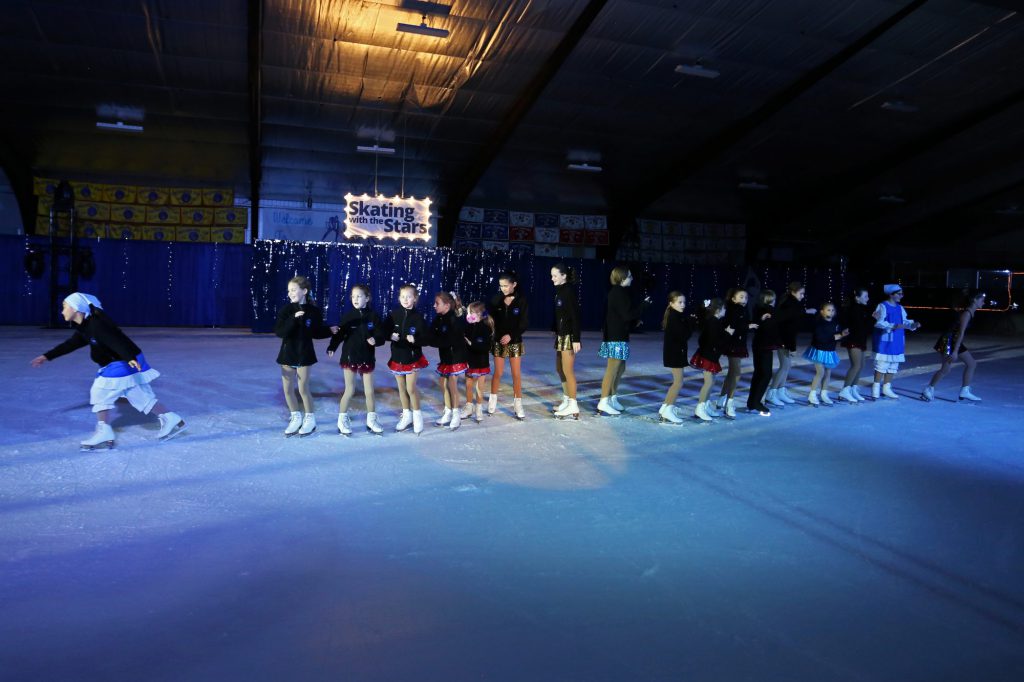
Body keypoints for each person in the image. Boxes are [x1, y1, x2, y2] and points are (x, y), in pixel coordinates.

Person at [31, 293, 185, 450]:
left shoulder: (97, 325)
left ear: (76, 308)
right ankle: (171, 418)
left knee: (100, 392)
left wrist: (129, 358)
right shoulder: (86, 327)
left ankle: (104, 432)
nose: (62, 311)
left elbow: (116, 340)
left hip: (123, 361)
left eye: (65, 306)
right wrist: (47, 356)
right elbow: (70, 344)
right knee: (137, 394)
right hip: (123, 360)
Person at [275, 275, 334, 437]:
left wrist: (330, 330)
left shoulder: (314, 311)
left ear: (304, 291)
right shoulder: (286, 310)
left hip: (304, 353)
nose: (290, 293)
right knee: (288, 389)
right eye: (289, 291)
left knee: (303, 388)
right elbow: (280, 332)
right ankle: (295, 416)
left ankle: (310, 419)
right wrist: (293, 320)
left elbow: (315, 332)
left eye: (293, 290)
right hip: (287, 354)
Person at [326, 284, 385, 436]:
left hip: (366, 357)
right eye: (353, 296)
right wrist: (332, 346)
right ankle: (342, 419)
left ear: (367, 298)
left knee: (369, 391)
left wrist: (376, 340)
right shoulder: (348, 316)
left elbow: (381, 335)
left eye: (359, 296)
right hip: (350, 356)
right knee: (350, 389)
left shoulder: (373, 316)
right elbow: (339, 335)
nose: (355, 299)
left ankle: (371, 419)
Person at [597, 266, 649, 416]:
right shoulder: (618, 293)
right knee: (612, 369)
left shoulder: (620, 293)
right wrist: (643, 306)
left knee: (620, 369)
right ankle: (604, 401)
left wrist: (634, 322)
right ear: (622, 278)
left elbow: (622, 316)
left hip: (619, 335)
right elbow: (627, 315)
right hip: (616, 337)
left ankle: (612, 397)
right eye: (630, 276)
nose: (632, 278)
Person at [922, 289, 986, 402]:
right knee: (946, 369)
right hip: (948, 341)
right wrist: (955, 351)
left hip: (954, 341)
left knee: (971, 364)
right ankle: (928, 389)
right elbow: (960, 333)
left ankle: (965, 391)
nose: (984, 302)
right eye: (982, 300)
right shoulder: (967, 314)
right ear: (975, 300)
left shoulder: (970, 312)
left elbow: (959, 334)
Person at [387, 284, 429, 434]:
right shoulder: (394, 315)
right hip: (397, 357)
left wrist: (415, 339)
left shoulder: (418, 317)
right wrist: (389, 335)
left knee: (411, 388)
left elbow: (426, 338)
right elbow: (385, 330)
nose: (405, 299)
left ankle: (417, 416)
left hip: (412, 358)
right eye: (403, 296)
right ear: (399, 298)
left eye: (409, 296)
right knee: (402, 389)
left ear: (415, 298)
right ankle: (407, 415)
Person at [487, 271, 529, 419]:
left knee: (516, 374)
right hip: (498, 342)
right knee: (498, 373)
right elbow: (489, 321)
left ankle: (518, 405)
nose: (503, 288)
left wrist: (511, 335)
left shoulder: (521, 300)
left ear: (514, 285)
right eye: (501, 286)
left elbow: (524, 324)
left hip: (515, 341)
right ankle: (492, 401)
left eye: (506, 285)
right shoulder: (495, 300)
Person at [768, 282, 817, 404]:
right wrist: (792, 347)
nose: (802, 296)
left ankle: (780, 390)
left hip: (784, 339)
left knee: (787, 366)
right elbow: (788, 328)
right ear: (793, 292)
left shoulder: (792, 305)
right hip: (783, 340)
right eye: (801, 293)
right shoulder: (789, 305)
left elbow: (794, 317)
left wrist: (806, 311)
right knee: (784, 366)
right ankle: (772, 392)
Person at [871, 284, 921, 399]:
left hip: (897, 340)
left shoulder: (900, 308)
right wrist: (894, 326)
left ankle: (887, 388)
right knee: (882, 364)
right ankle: (876, 389)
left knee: (893, 364)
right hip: (885, 341)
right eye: (899, 294)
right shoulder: (882, 306)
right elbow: (878, 322)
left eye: (902, 293)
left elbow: (904, 321)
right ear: (891, 294)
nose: (901, 296)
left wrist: (912, 324)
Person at [428, 292, 469, 430]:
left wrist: (435, 341)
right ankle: (448, 411)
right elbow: (431, 334)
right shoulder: (438, 319)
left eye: (437, 303)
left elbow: (450, 340)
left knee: (452, 385)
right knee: (442, 384)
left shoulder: (453, 319)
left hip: (455, 357)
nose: (434, 306)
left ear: (447, 305)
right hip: (445, 357)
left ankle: (456, 414)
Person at [716, 288, 756, 418]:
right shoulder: (733, 309)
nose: (744, 299)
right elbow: (732, 326)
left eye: (745, 297)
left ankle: (722, 398)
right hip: (733, 344)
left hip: (738, 343)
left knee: (732, 373)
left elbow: (743, 323)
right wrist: (747, 327)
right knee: (736, 373)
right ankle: (729, 402)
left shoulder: (743, 309)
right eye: (741, 297)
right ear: (733, 299)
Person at [551, 263, 582, 420]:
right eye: (551, 276)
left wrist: (576, 339)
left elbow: (575, 316)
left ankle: (573, 404)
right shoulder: (560, 291)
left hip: (569, 337)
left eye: (555, 276)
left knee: (568, 370)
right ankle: (566, 399)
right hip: (561, 336)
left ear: (564, 276)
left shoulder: (568, 291)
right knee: (559, 368)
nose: (552, 279)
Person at [803, 303, 849, 406]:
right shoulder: (819, 323)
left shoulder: (836, 324)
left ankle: (824, 393)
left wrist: (843, 335)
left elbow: (839, 336)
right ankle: (812, 394)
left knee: (828, 373)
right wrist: (836, 336)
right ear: (822, 312)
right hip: (819, 351)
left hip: (830, 351)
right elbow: (820, 338)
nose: (831, 312)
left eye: (832, 310)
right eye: (828, 310)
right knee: (820, 372)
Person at [690, 299, 726, 422]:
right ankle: (700, 408)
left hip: (711, 355)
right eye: (724, 309)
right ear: (718, 310)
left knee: (712, 381)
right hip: (708, 356)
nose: (725, 311)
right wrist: (727, 334)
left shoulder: (715, 321)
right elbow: (711, 340)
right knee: (709, 382)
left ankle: (705, 405)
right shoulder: (713, 322)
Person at [659, 291, 692, 424]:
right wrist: (691, 323)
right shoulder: (674, 317)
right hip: (675, 353)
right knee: (678, 382)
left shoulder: (676, 315)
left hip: (676, 352)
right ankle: (668, 409)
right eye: (680, 302)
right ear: (671, 303)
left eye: (684, 302)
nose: (683, 305)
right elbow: (684, 335)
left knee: (678, 381)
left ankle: (665, 407)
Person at [838, 288, 873, 403]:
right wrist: (873, 318)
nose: (868, 298)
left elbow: (865, 327)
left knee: (861, 365)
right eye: (865, 296)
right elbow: (858, 326)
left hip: (860, 340)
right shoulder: (854, 309)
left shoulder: (861, 309)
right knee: (856, 365)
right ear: (857, 298)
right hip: (853, 340)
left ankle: (853, 388)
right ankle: (845, 390)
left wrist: (871, 319)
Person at [749, 289, 780, 415]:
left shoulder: (758, 309)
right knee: (765, 374)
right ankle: (756, 402)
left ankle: (752, 402)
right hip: (764, 345)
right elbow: (769, 326)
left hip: (760, 344)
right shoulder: (768, 311)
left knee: (759, 374)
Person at [461, 301, 493, 423]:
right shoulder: (467, 327)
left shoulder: (485, 328)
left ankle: (479, 407)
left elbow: (485, 347)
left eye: (473, 313)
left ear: (481, 314)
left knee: (480, 386)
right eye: (469, 313)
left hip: (481, 362)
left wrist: (472, 344)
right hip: (469, 362)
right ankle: (469, 406)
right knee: (469, 385)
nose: (470, 315)